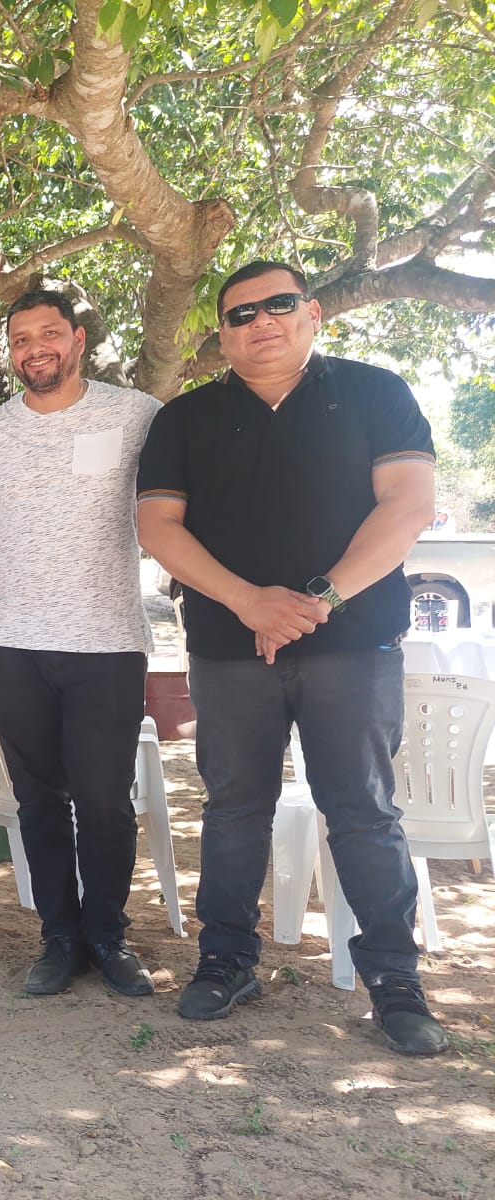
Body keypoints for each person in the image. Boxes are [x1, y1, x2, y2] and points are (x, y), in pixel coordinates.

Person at [137, 260, 446, 1055]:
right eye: (241, 314)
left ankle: (394, 982)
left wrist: (316, 603)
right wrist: (249, 602)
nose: (260, 322)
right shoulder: (183, 419)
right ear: (222, 334)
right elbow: (160, 529)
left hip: (354, 644)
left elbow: (408, 505)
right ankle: (226, 961)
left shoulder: (376, 392)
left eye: (278, 305)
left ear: (312, 314)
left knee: (364, 812)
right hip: (227, 651)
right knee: (234, 809)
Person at [0, 289, 161, 998]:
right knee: (38, 800)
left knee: (105, 802)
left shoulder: (135, 415)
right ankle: (59, 938)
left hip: (108, 643)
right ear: (11, 353)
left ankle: (108, 934)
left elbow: (188, 487)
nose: (34, 347)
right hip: (15, 643)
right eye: (20, 338)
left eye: (48, 333)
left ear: (76, 339)